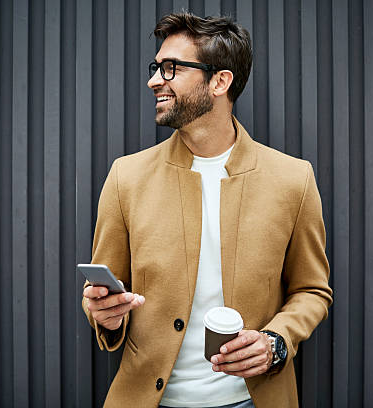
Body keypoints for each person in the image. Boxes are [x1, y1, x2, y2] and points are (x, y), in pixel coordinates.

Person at [82, 12, 332, 408]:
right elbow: (104, 293)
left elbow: (312, 290)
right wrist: (105, 315)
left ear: (220, 81)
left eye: (170, 69)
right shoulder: (125, 177)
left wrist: (276, 341)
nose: (153, 81)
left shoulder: (293, 179)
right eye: (156, 67)